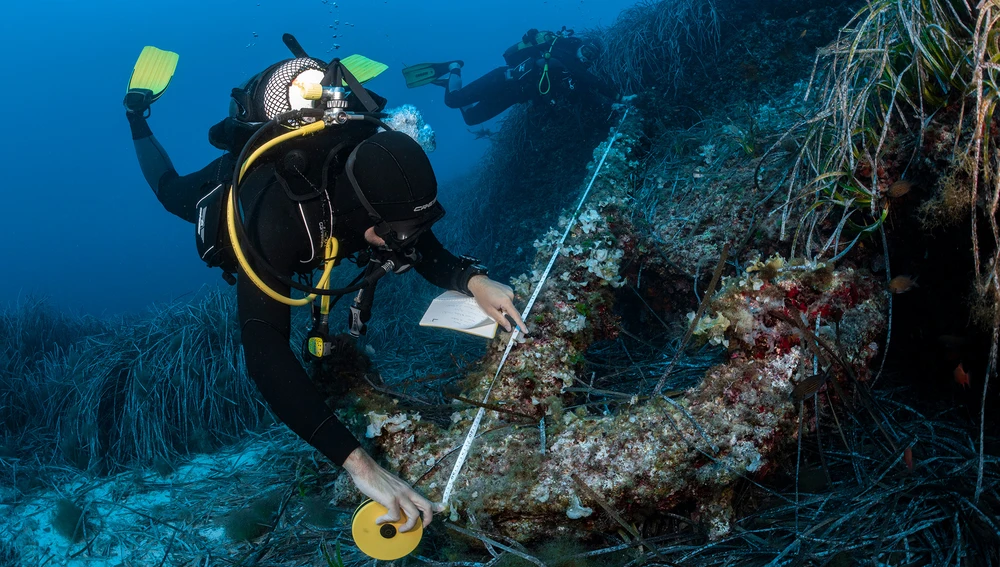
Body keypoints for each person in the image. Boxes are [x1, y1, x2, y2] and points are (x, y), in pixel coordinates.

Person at [123, 37, 528, 533]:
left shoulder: (379, 178)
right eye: (397, 236)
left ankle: (318, 83)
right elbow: (264, 354)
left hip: (333, 166)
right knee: (172, 195)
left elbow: (419, 243)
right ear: (365, 214)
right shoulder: (279, 219)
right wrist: (361, 466)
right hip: (246, 188)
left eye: (413, 231)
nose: (405, 249)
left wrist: (475, 279)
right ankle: (136, 110)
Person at [402, 28, 633, 126]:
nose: (586, 57)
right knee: (453, 101)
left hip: (512, 96)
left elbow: (585, 95)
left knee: (471, 119)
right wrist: (618, 97)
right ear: (580, 47)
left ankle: (450, 84)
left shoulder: (571, 75)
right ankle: (454, 68)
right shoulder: (562, 53)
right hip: (503, 78)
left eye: (591, 56)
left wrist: (611, 106)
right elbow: (590, 81)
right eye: (586, 51)